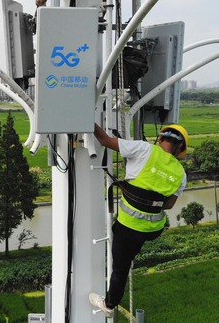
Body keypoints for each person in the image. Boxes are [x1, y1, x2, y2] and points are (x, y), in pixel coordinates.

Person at [89, 123, 188, 318]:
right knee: (129, 248)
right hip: (153, 230)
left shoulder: (144, 149)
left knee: (120, 267)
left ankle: (108, 305)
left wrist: (87, 120)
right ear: (179, 149)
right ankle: (129, 252)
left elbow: (104, 141)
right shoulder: (181, 174)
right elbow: (168, 206)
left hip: (129, 227)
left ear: (160, 139)